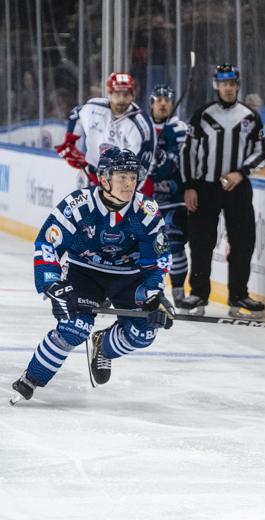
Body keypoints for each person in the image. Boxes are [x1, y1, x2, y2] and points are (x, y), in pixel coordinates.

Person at [10, 148, 173, 404]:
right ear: (104, 179)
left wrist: (154, 294)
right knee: (75, 327)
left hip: (128, 277)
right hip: (84, 272)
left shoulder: (146, 211)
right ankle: (32, 377)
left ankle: (103, 346)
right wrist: (52, 284)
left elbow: (156, 259)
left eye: (133, 177)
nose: (129, 184)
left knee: (144, 333)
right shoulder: (78, 205)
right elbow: (47, 243)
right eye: (122, 177)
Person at [180, 64, 265, 318]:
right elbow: (188, 152)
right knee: (201, 241)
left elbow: (261, 151)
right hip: (205, 187)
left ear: (238, 86)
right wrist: (189, 186)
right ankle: (198, 293)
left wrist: (240, 172)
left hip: (237, 188)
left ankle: (239, 294)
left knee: (243, 242)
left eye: (232, 83)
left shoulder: (250, 117)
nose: (228, 88)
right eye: (223, 83)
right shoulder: (203, 115)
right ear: (216, 85)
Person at [55, 72, 156, 194]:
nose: (121, 99)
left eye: (126, 94)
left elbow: (143, 165)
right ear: (110, 93)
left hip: (122, 181)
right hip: (93, 175)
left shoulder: (141, 126)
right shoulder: (94, 108)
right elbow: (76, 114)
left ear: (132, 95)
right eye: (117, 94)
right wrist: (69, 143)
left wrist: (124, 192)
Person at [149, 84, 189, 306]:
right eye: (159, 100)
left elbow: (185, 163)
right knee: (144, 247)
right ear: (152, 103)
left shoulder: (180, 129)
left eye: (167, 100)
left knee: (174, 245)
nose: (163, 104)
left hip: (174, 200)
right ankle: (146, 290)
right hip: (147, 200)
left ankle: (179, 290)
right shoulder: (142, 127)